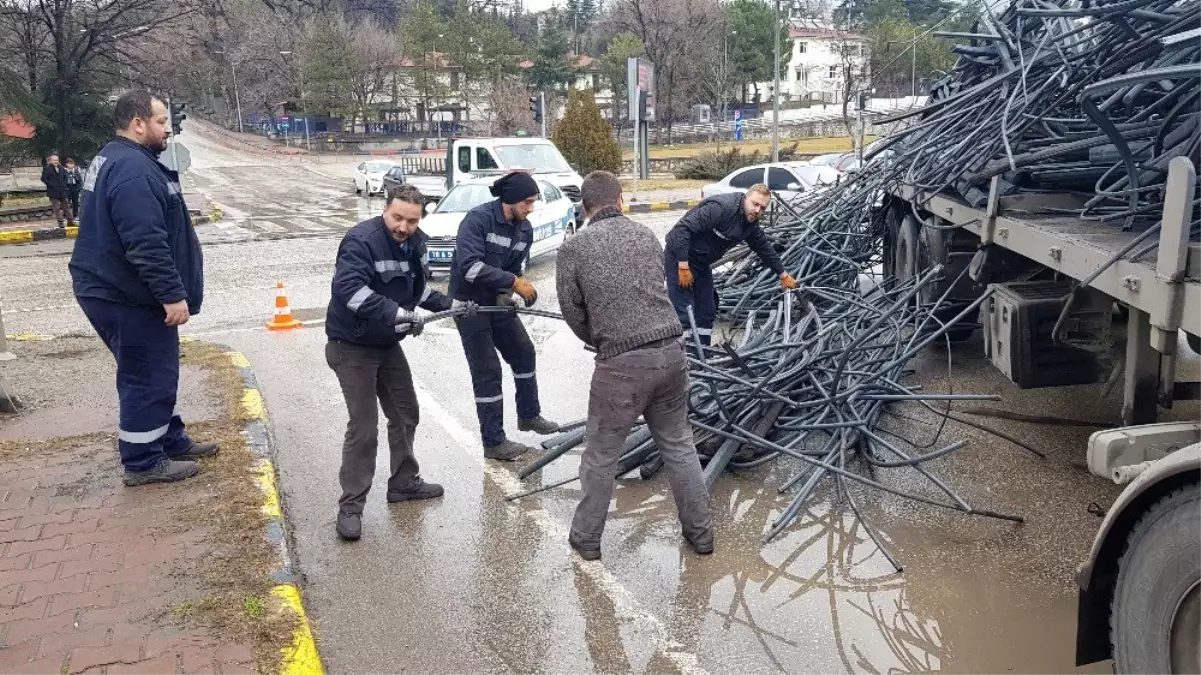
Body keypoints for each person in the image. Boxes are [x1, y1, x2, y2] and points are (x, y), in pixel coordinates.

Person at [556, 170, 714, 560]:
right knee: (679, 446)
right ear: (621, 200)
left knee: (600, 455)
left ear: (584, 207)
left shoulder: (574, 248)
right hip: (672, 353)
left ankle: (586, 539)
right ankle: (702, 535)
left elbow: (572, 311)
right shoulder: (645, 235)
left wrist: (599, 340)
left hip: (622, 366)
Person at [68, 90, 215, 486]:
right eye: (161, 121)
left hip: (112, 288)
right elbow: (145, 243)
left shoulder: (118, 159)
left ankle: (168, 438)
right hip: (127, 294)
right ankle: (143, 461)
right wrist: (171, 294)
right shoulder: (133, 170)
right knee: (146, 374)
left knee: (154, 371)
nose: (168, 129)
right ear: (138, 123)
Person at [326, 183, 474, 541]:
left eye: (411, 220)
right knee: (364, 428)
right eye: (397, 218)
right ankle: (351, 506)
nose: (404, 227)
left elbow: (415, 289)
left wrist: (448, 305)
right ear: (385, 209)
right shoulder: (361, 241)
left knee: (406, 412)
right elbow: (350, 292)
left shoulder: (416, 243)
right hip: (351, 345)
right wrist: (397, 314)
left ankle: (404, 482)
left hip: (386, 345)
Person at [449, 171, 560, 461]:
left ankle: (529, 415)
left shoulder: (524, 229)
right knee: (487, 370)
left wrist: (507, 293)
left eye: (533, 202)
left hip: (496, 302)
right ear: (509, 199)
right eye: (527, 202)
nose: (530, 208)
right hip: (469, 305)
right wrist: (512, 283)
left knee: (524, 352)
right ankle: (494, 441)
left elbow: (515, 268)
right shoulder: (477, 220)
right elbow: (470, 268)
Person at [663, 185, 797, 346]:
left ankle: (703, 353)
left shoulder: (750, 224)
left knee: (706, 310)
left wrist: (783, 275)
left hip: (702, 262)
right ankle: (685, 356)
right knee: (685, 312)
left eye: (762, 208)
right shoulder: (721, 208)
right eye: (755, 204)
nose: (757, 210)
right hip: (679, 257)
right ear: (745, 199)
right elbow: (681, 230)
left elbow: (763, 248)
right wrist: (683, 266)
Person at [40, 153, 71, 228]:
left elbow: (66, 176)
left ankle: (70, 221)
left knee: (66, 206)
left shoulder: (61, 168)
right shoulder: (47, 168)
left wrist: (64, 184)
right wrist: (51, 184)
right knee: (56, 208)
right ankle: (61, 223)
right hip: (53, 191)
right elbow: (43, 178)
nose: (56, 161)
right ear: (50, 161)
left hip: (62, 191)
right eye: (54, 160)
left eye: (57, 160)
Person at [64, 157, 83, 223]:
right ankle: (66, 215)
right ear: (67, 164)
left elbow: (80, 180)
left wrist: (79, 187)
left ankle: (75, 215)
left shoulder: (76, 171)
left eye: (73, 164)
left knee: (75, 202)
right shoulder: (64, 171)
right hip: (67, 188)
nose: (71, 165)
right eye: (70, 164)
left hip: (75, 188)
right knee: (66, 202)